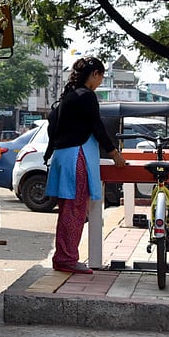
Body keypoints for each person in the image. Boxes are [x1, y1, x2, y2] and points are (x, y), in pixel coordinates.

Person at [44, 56, 126, 274]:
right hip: (76, 159)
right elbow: (97, 127)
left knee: (67, 211)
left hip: (63, 158)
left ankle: (63, 257)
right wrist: (114, 153)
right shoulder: (87, 96)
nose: (100, 81)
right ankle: (67, 259)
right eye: (101, 76)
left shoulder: (69, 95)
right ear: (95, 74)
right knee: (75, 210)